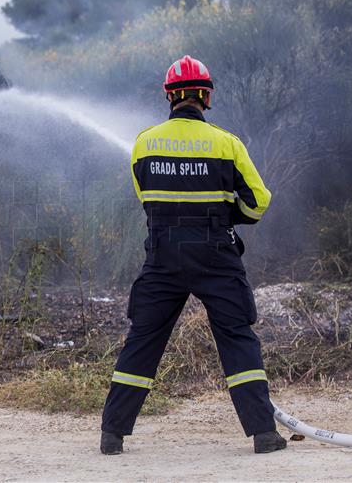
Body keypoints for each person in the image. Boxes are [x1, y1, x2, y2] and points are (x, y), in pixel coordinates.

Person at [99, 55, 287, 455]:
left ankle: (112, 436)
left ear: (169, 97)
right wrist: (225, 215)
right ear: (206, 95)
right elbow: (259, 202)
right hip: (216, 257)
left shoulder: (144, 143)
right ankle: (264, 435)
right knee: (237, 338)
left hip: (163, 258)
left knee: (143, 340)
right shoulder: (226, 143)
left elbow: (146, 199)